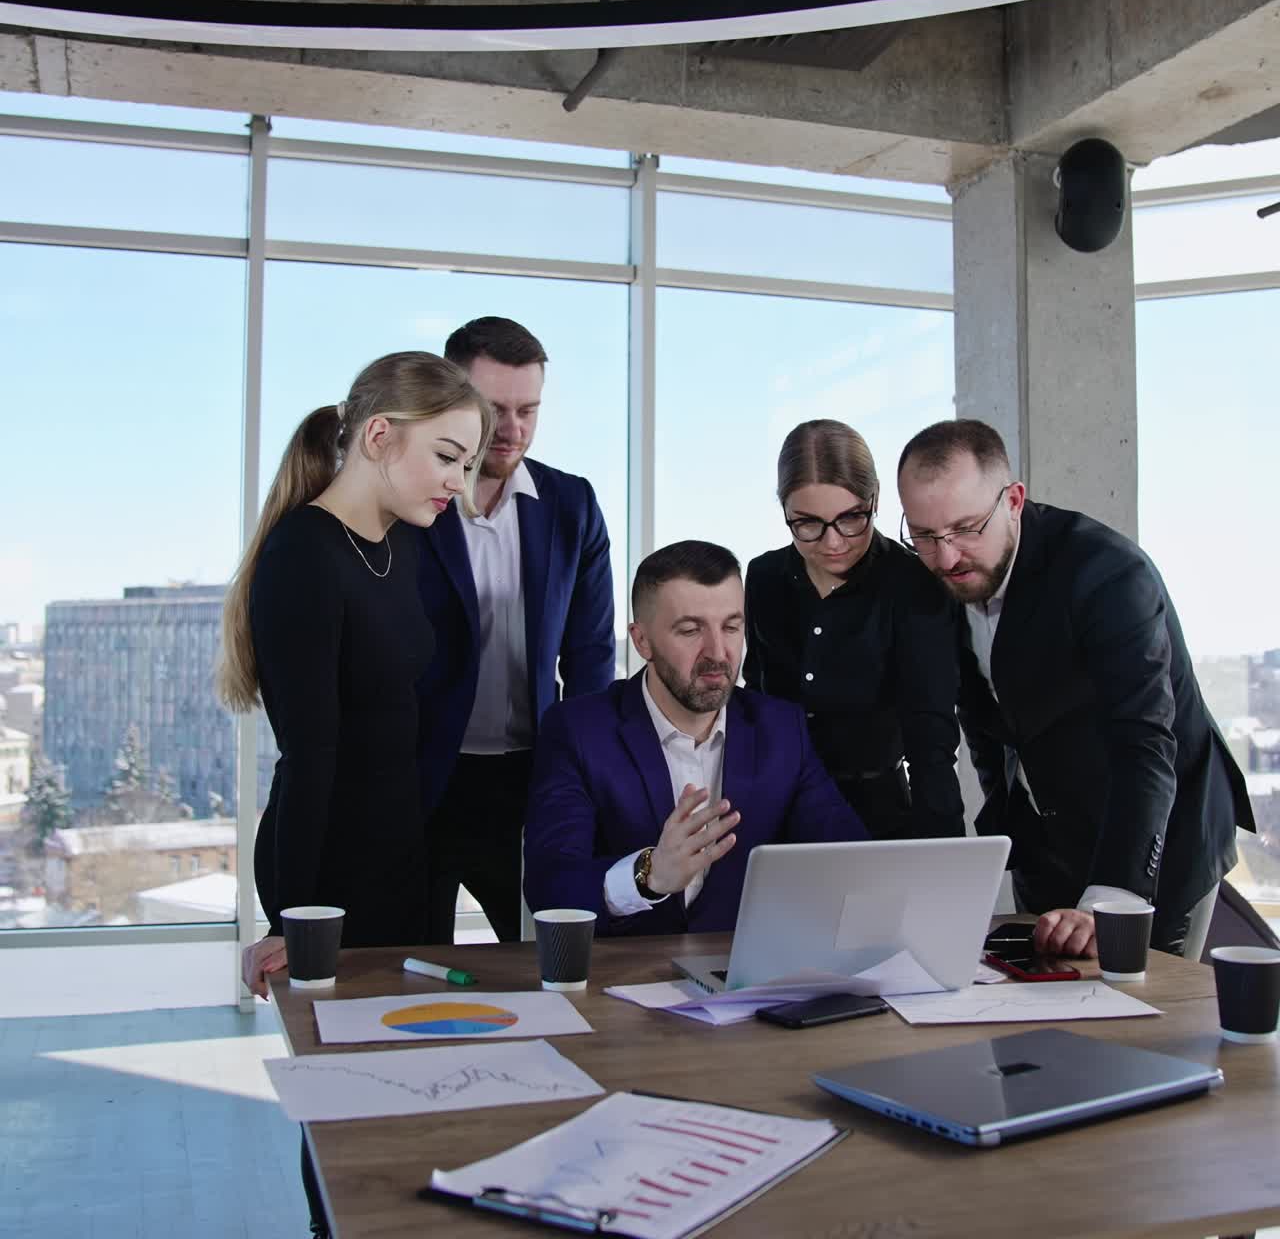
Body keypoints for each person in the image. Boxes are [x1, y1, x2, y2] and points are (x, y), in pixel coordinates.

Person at [217, 351, 490, 1239]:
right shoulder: (303, 557)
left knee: (405, 1096)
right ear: (380, 436)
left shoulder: (402, 544)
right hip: (328, 868)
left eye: (468, 461)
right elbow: (313, 759)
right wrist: (294, 925)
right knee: (344, 1113)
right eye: (448, 455)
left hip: (401, 859)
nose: (460, 479)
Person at [896, 419, 1254, 960]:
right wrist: (1009, 822)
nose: (946, 558)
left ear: (1014, 501)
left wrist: (1111, 899)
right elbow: (985, 721)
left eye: (967, 528)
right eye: (924, 535)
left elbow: (1145, 743)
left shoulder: (1107, 575)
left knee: (1139, 1025)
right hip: (1048, 840)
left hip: (1159, 834)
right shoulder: (939, 577)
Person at [523, 540, 868, 935]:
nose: (718, 653)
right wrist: (647, 875)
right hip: (616, 979)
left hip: (742, 979)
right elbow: (548, 888)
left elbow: (847, 860)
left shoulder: (782, 728)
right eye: (690, 630)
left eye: (732, 626)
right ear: (641, 641)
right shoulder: (577, 730)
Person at [418, 316, 616, 943]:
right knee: (406, 965)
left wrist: (583, 777)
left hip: (529, 779)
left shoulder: (572, 505)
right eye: (494, 409)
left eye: (528, 410)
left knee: (545, 964)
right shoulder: (411, 504)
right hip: (424, 776)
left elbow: (589, 656)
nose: (512, 430)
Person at [744, 420, 964, 839]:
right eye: (807, 523)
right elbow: (757, 702)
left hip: (878, 816)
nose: (832, 542)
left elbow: (930, 739)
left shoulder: (913, 584)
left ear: (874, 499)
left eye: (849, 519)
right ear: (784, 510)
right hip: (779, 813)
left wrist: (945, 863)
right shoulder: (764, 577)